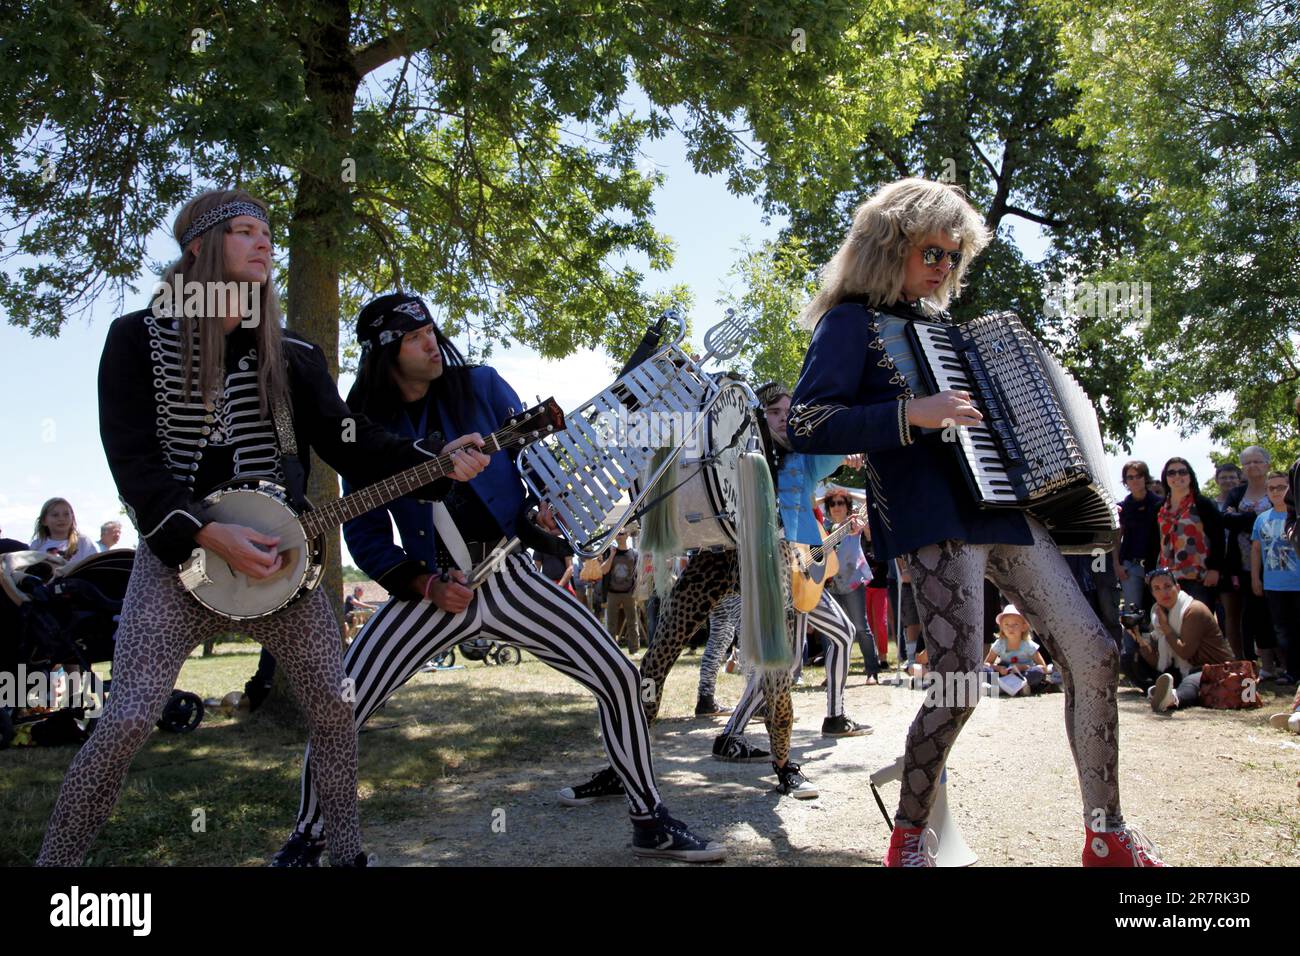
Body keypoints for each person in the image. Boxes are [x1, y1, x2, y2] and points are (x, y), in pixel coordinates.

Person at [34, 189, 453, 867]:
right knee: (130, 718)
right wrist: (204, 532)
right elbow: (136, 466)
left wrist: (433, 463)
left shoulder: (294, 354)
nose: (264, 242)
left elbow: (352, 441)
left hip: (279, 566)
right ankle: (57, 871)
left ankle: (344, 855)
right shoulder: (135, 339)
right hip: (178, 563)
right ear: (198, 249)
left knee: (334, 708)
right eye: (244, 231)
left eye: (266, 232)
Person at [787, 177, 1163, 866]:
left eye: (954, 258)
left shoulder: (948, 332)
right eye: (931, 252)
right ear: (888, 246)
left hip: (1007, 510)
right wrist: (911, 414)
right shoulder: (848, 322)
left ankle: (1107, 834)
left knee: (1095, 652)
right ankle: (909, 838)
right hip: (931, 516)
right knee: (959, 679)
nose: (942, 269)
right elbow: (808, 422)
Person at [272, 292, 723, 865]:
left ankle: (649, 819)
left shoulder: (481, 386)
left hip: (507, 571)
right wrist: (425, 585)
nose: (431, 341)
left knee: (618, 677)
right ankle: (309, 837)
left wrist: (542, 516)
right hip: (429, 589)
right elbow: (362, 535)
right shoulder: (361, 426)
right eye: (414, 337)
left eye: (431, 330)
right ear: (386, 352)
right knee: (340, 704)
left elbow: (539, 467)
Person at [1133, 569, 1233, 712]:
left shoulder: (1193, 610)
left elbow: (1185, 652)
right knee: (1130, 659)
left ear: (1178, 587)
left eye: (1167, 586)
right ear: (1153, 594)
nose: (1163, 592)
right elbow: (1158, 660)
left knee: (1191, 682)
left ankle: (1171, 698)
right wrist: (1138, 637)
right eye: (1157, 589)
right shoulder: (1157, 613)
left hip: (1211, 668)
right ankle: (1158, 690)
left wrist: (1166, 628)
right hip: (1182, 667)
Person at [1222, 446, 1276, 664]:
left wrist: (1242, 518)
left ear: (1267, 464)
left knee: (1280, 613)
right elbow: (1226, 519)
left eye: (1257, 461)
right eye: (1247, 463)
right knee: (1254, 614)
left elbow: (1281, 516)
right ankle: (1264, 664)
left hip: (1277, 563)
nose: (1252, 466)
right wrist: (1257, 517)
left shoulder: (1277, 487)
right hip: (1245, 564)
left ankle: (1288, 664)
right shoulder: (1236, 493)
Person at [823, 491, 881, 682]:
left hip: (853, 582)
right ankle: (834, 674)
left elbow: (869, 499)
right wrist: (823, 498)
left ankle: (872, 672)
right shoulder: (825, 528)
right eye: (832, 504)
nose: (836, 507)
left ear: (847, 506)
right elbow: (808, 503)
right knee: (831, 631)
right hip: (832, 585)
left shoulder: (854, 523)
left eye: (841, 503)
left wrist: (849, 495)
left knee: (860, 627)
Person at [1156, 457, 1224, 609]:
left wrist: (1214, 569)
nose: (1177, 476)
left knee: (1198, 625)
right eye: (1171, 473)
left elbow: (1218, 538)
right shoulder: (1159, 508)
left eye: (1182, 472)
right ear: (1165, 478)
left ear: (1190, 476)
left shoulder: (1203, 504)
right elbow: (1154, 543)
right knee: (1173, 626)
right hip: (1167, 579)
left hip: (1199, 576)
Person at [1250, 472, 1298, 682]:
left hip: (1297, 583)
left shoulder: (1296, 516)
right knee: (1282, 632)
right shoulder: (1261, 519)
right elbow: (1256, 550)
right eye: (1272, 488)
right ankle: (1292, 672)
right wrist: (1255, 578)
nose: (1277, 492)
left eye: (1281, 487)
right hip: (1274, 585)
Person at [1114, 461, 1163, 615]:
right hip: (1131, 566)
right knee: (1132, 613)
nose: (1135, 480)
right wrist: (1117, 565)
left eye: (1139, 476)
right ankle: (1132, 640)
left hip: (1156, 565)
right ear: (1125, 482)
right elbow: (1116, 539)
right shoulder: (1122, 508)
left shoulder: (1160, 504)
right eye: (1130, 477)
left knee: (1159, 612)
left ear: (1145, 478)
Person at [982, 604, 1049, 696]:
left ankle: (1018, 686)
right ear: (1001, 627)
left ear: (1024, 627)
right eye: (1006, 624)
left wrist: (1023, 667)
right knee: (984, 670)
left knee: (1037, 672)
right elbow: (987, 663)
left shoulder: (1028, 645)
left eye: (1015, 624)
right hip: (1004, 674)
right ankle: (1003, 687)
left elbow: (1043, 667)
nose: (1010, 628)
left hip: (1022, 674)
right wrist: (999, 668)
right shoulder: (999, 644)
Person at [600, 530, 641, 653]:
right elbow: (603, 571)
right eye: (617, 535)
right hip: (612, 593)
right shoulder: (611, 552)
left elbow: (638, 573)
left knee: (632, 622)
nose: (618, 537)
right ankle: (611, 650)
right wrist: (612, 555)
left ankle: (634, 649)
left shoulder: (634, 553)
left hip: (629, 593)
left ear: (627, 535)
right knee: (611, 623)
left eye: (621, 534)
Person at [29, 498, 97, 567]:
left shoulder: (83, 542)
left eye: (66, 514)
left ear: (72, 517)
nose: (61, 519)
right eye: (55, 515)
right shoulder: (37, 545)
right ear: (44, 521)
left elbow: (93, 566)